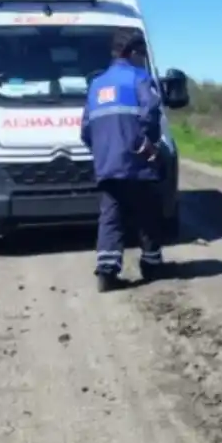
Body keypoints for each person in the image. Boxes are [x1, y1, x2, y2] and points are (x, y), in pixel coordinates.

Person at [81, 28, 165, 292]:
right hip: (137, 162)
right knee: (148, 213)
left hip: (107, 163)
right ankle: (151, 264)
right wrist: (149, 143)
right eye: (142, 54)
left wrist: (102, 150)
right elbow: (152, 110)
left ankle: (107, 272)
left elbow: (85, 129)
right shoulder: (139, 78)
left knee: (111, 216)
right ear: (132, 53)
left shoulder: (96, 84)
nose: (142, 59)